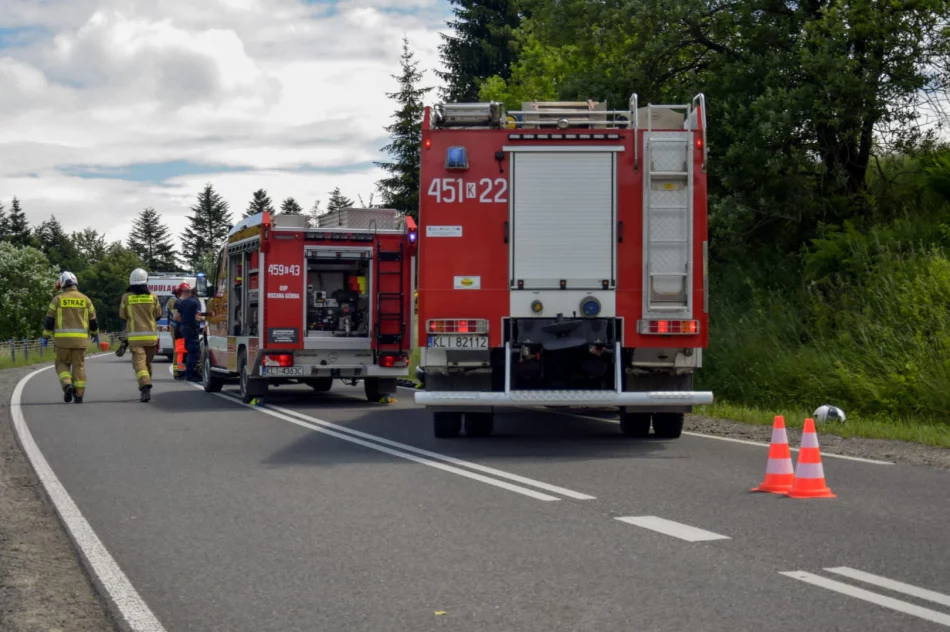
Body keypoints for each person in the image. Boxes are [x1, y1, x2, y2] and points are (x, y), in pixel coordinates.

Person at [42, 271, 98, 404]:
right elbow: (93, 321)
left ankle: (67, 385)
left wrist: (45, 336)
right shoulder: (86, 300)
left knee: (62, 364)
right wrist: (95, 334)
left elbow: (49, 320)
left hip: (63, 341)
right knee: (79, 367)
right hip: (80, 341)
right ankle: (79, 396)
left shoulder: (57, 299)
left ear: (62, 283)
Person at [119, 268, 162, 402]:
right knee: (147, 363)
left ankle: (145, 386)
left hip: (135, 339)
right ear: (146, 282)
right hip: (151, 338)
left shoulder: (126, 297)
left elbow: (122, 316)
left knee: (139, 364)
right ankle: (146, 386)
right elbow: (158, 315)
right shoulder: (153, 297)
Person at [174, 282, 203, 382]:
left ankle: (184, 372)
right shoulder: (196, 302)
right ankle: (190, 375)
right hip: (192, 328)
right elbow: (197, 317)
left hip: (183, 329)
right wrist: (207, 318)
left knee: (186, 351)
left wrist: (184, 323)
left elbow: (176, 316)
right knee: (193, 351)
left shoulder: (183, 302)